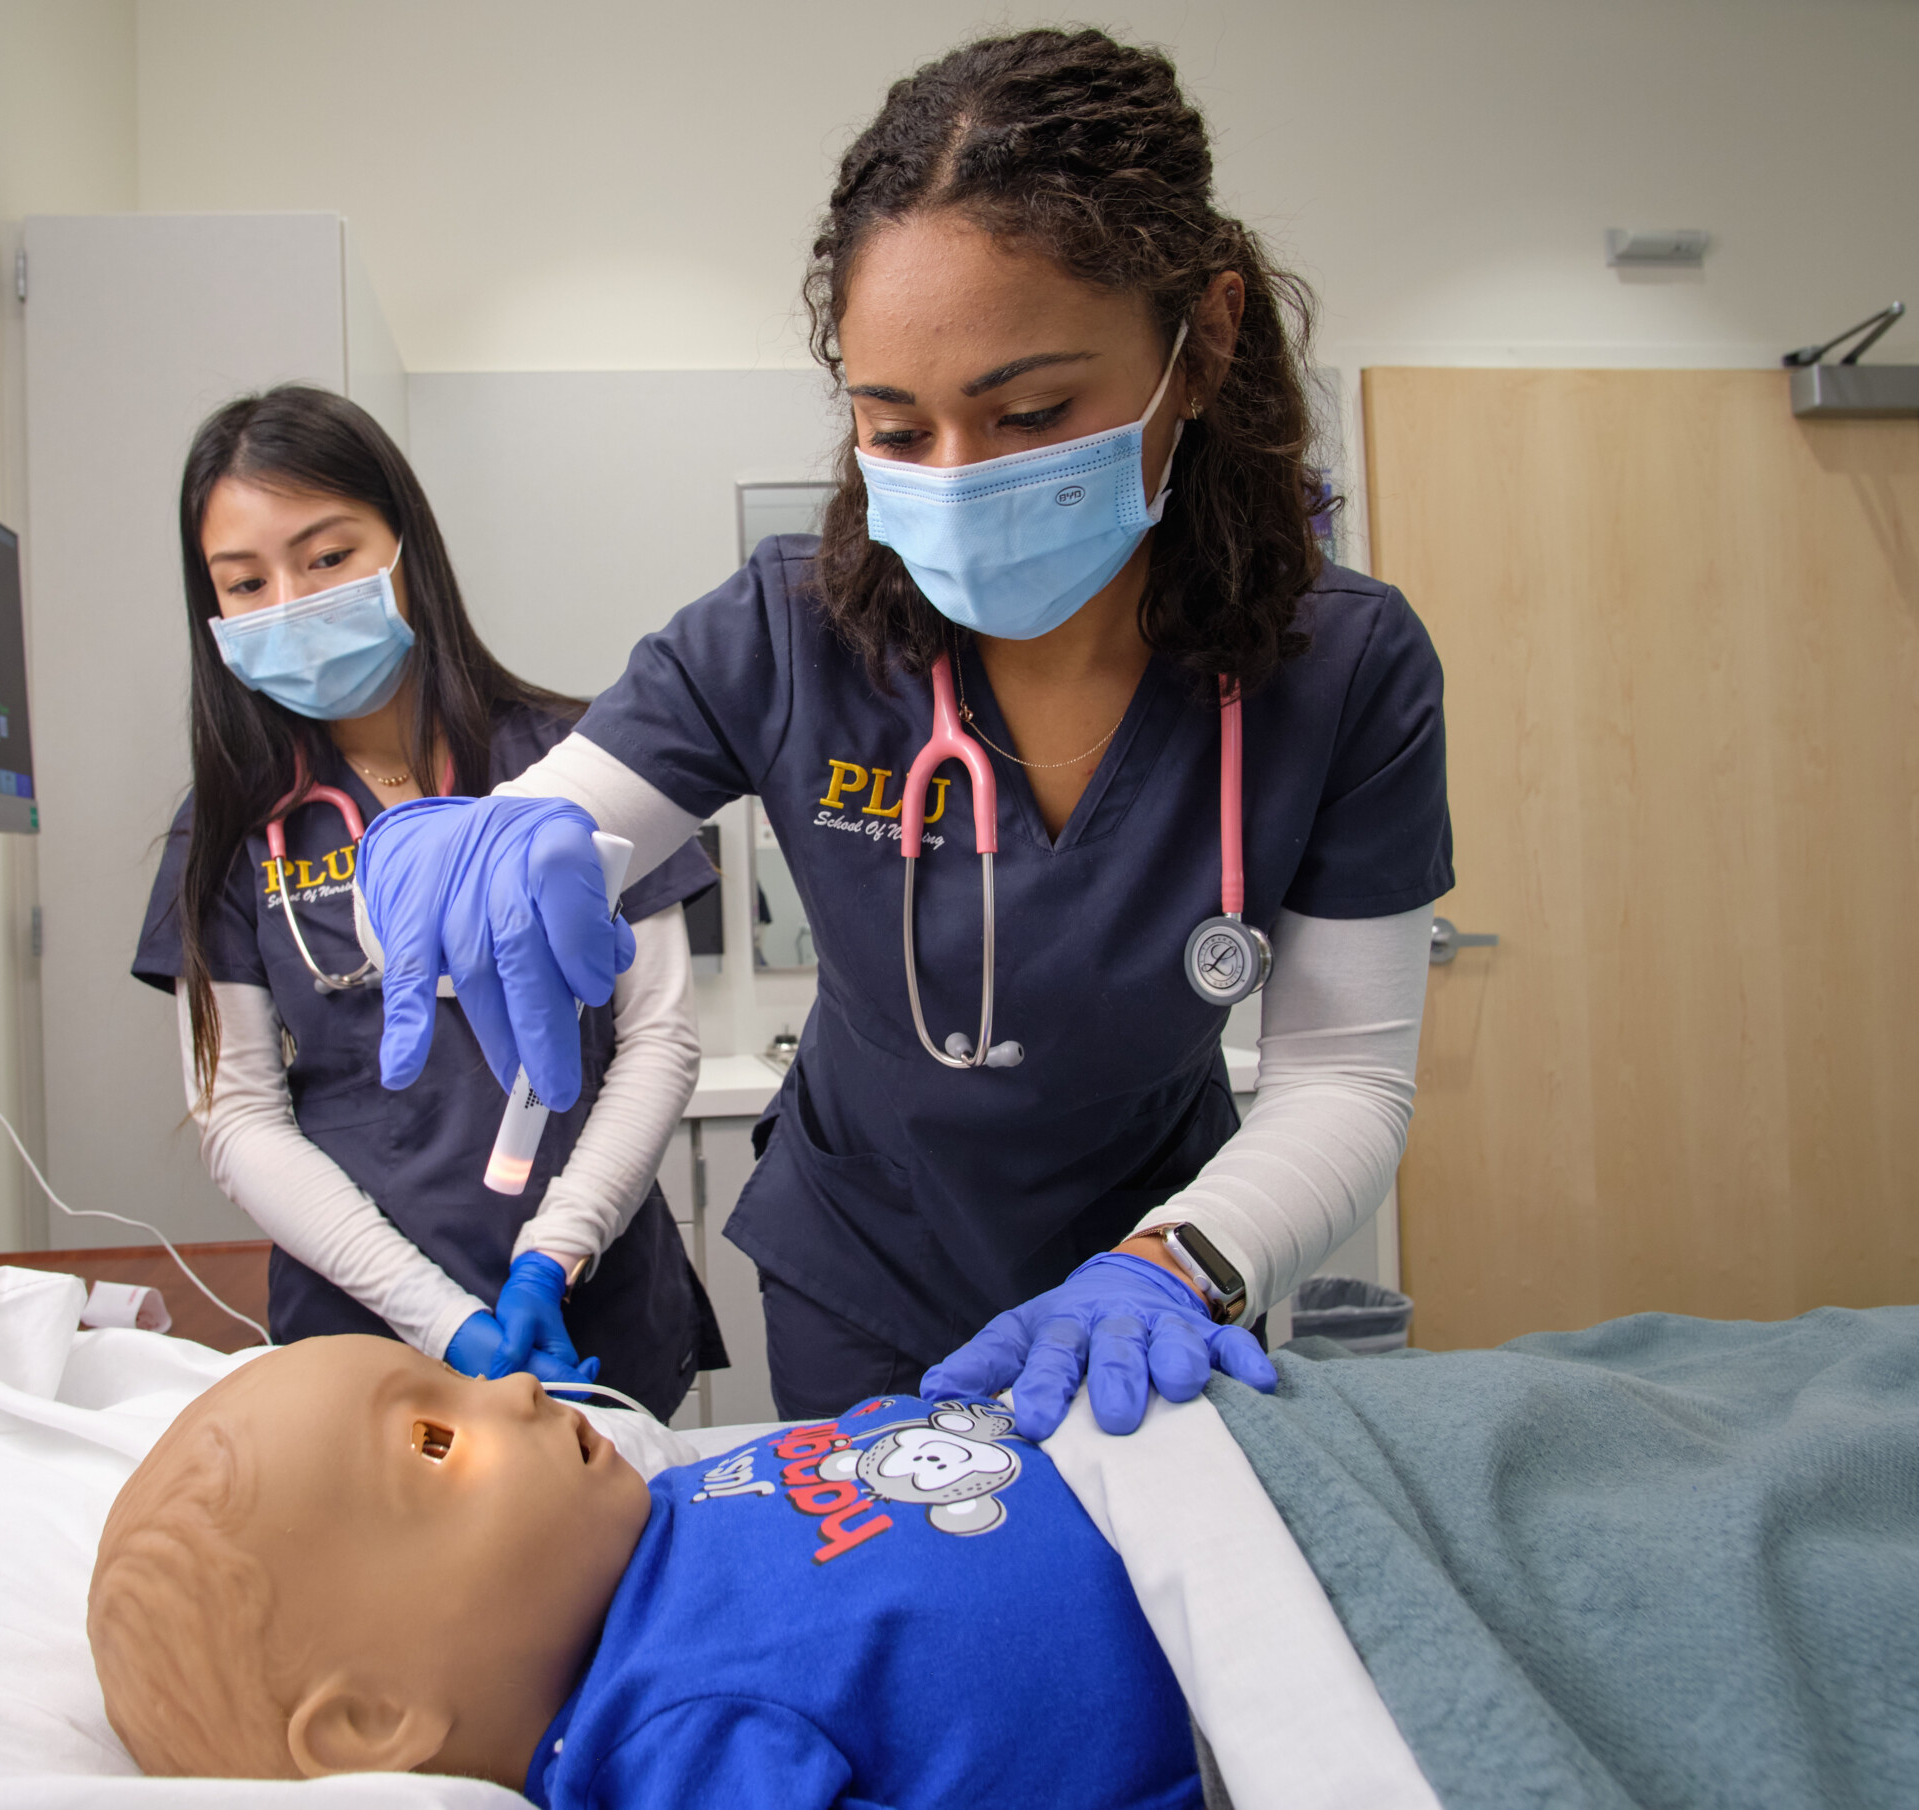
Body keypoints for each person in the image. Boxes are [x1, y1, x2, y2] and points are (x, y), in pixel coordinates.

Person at [357, 28, 1448, 1436]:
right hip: (859, 1261)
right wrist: (463, 854)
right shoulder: (790, 629)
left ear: (1206, 336)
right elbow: (569, 816)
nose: (954, 479)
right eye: (894, 422)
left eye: (1031, 411)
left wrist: (1180, 1266)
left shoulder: (1341, 664)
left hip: (1161, 1258)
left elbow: (1348, 1073)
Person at [130, 386, 727, 1418]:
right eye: (244, 582)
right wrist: (436, 1313)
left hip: (594, 1303)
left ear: (405, 546)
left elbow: (659, 1039)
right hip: (362, 1333)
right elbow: (238, 1119)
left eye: (326, 558)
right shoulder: (228, 829)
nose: (291, 604)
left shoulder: (578, 764)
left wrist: (557, 1249)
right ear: (212, 611)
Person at [87, 1336, 1201, 1808]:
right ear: (375, 1722)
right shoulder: (664, 1745)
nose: (517, 1391)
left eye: (452, 1382)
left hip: (1161, 1446)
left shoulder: (642, 1515)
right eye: (434, 1441)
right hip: (1232, 1600)